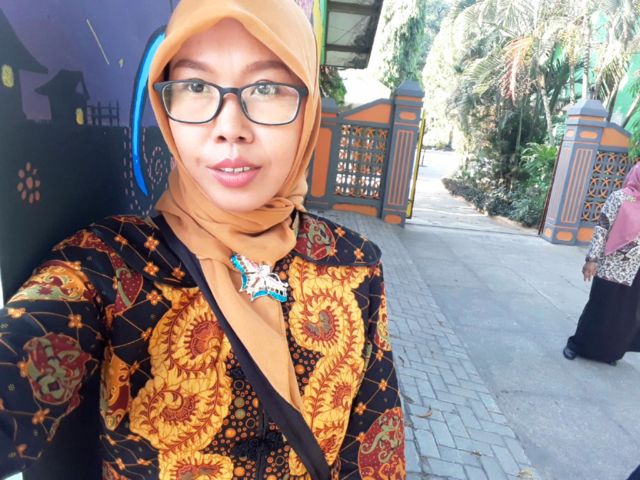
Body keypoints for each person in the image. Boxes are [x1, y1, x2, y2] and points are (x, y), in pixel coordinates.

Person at [0, 1, 406, 479]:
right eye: (195, 86)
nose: (230, 129)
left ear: (308, 107)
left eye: (267, 88)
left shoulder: (353, 265)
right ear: (165, 105)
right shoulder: (111, 267)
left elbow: (376, 454)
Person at [563, 163, 640, 366]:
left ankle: (609, 353)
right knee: (599, 308)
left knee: (625, 316)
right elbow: (602, 228)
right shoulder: (619, 197)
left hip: (636, 271)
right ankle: (576, 346)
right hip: (611, 265)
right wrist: (591, 260)